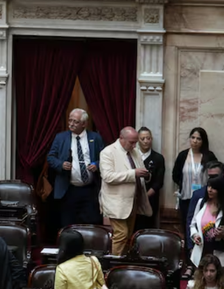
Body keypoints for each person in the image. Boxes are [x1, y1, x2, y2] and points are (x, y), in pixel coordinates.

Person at [47, 108, 105, 227]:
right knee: (68, 224)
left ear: (84, 123)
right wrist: (60, 164)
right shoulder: (60, 137)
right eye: (70, 121)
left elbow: (105, 158)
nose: (71, 124)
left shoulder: (95, 137)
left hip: (90, 189)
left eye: (75, 121)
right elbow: (51, 157)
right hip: (68, 189)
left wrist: (97, 165)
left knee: (91, 223)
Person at [99, 127, 152, 256]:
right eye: (131, 142)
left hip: (133, 200)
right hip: (116, 202)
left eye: (135, 142)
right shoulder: (108, 152)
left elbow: (142, 170)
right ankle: (114, 264)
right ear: (121, 138)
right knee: (121, 234)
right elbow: (108, 177)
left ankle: (124, 262)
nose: (134, 146)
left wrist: (146, 175)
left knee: (128, 235)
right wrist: (133, 173)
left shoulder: (135, 152)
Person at [189, 175, 224, 287]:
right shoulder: (201, 203)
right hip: (202, 253)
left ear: (221, 189)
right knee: (200, 287)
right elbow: (193, 224)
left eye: (214, 187)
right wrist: (195, 235)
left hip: (222, 255)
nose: (209, 190)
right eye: (208, 186)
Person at [173, 127, 218, 244]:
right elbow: (175, 174)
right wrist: (184, 185)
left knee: (201, 225)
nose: (195, 141)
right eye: (193, 138)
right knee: (187, 226)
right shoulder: (183, 155)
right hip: (186, 198)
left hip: (204, 198)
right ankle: (188, 253)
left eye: (198, 138)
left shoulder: (209, 156)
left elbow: (216, 175)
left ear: (203, 141)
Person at [136, 127, 165, 231]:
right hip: (132, 199)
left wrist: (145, 197)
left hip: (150, 199)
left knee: (148, 228)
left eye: (148, 138)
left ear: (151, 139)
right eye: (142, 139)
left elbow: (158, 182)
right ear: (137, 140)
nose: (145, 141)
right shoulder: (132, 156)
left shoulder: (158, 158)